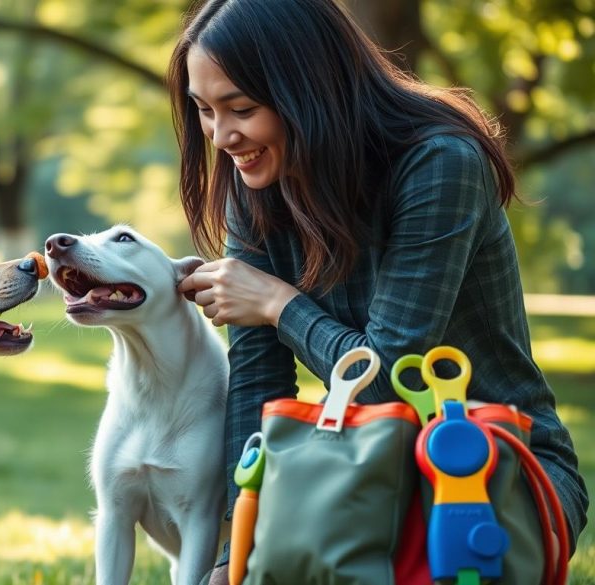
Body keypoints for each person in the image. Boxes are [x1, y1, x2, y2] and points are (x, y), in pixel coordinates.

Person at [170, 0, 589, 581]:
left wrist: (278, 305)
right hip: (363, 470)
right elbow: (257, 385)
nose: (221, 136)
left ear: (307, 90)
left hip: (489, 469)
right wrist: (233, 555)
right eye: (204, 111)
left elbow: (391, 376)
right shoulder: (256, 181)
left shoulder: (439, 163)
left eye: (240, 108)